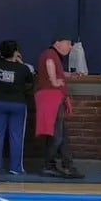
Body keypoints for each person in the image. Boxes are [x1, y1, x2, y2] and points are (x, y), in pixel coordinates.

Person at [34, 35, 83, 178]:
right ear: (57, 43)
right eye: (68, 43)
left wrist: (70, 75)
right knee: (57, 135)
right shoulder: (50, 54)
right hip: (52, 98)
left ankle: (67, 166)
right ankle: (49, 165)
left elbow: (55, 70)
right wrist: (54, 81)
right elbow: (49, 64)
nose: (70, 46)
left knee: (60, 135)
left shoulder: (53, 56)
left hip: (53, 98)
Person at [0, 40, 34, 175]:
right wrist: (19, 61)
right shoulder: (23, 69)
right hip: (17, 104)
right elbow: (30, 80)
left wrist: (0, 54)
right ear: (16, 52)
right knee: (17, 136)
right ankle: (16, 168)